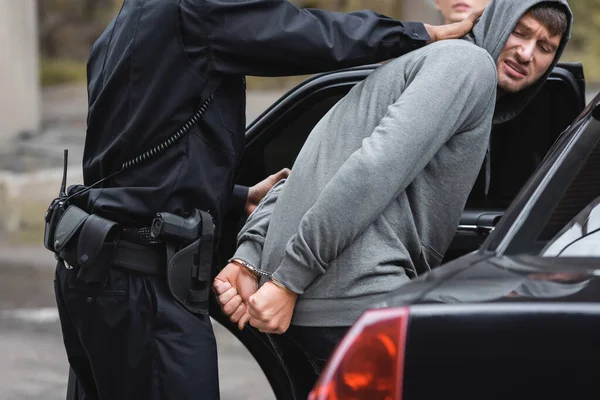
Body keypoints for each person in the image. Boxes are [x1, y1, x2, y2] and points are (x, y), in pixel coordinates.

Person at [48, 1, 483, 399]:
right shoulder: (195, 8)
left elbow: (133, 161)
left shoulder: (123, 26)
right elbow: (306, 34)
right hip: (143, 288)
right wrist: (419, 34)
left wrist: (237, 198)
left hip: (92, 275)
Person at [214, 0, 572, 396]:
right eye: (520, 32)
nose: (527, 53)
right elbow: (372, 168)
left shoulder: (435, 63)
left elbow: (312, 170)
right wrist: (286, 282)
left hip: (328, 302)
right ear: (498, 22)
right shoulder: (466, 67)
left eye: (546, 46)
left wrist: (251, 257)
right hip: (356, 300)